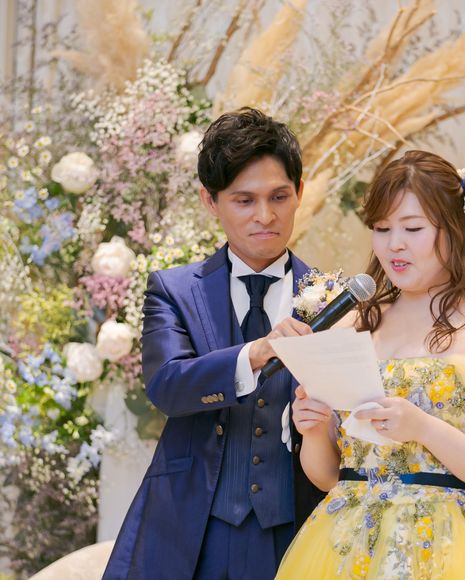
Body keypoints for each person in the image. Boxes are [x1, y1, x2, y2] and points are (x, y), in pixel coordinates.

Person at [276, 150, 465, 578]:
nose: (394, 244)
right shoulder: (352, 324)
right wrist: (311, 430)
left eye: (413, 228)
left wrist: (422, 427)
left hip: (447, 550)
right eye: (382, 229)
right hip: (347, 545)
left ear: (454, 230)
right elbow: (329, 476)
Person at [103, 108, 326, 580]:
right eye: (244, 200)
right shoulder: (174, 290)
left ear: (300, 193)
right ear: (210, 200)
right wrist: (255, 352)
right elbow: (168, 386)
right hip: (194, 530)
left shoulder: (334, 298)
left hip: (301, 529)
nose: (265, 216)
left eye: (279, 196)